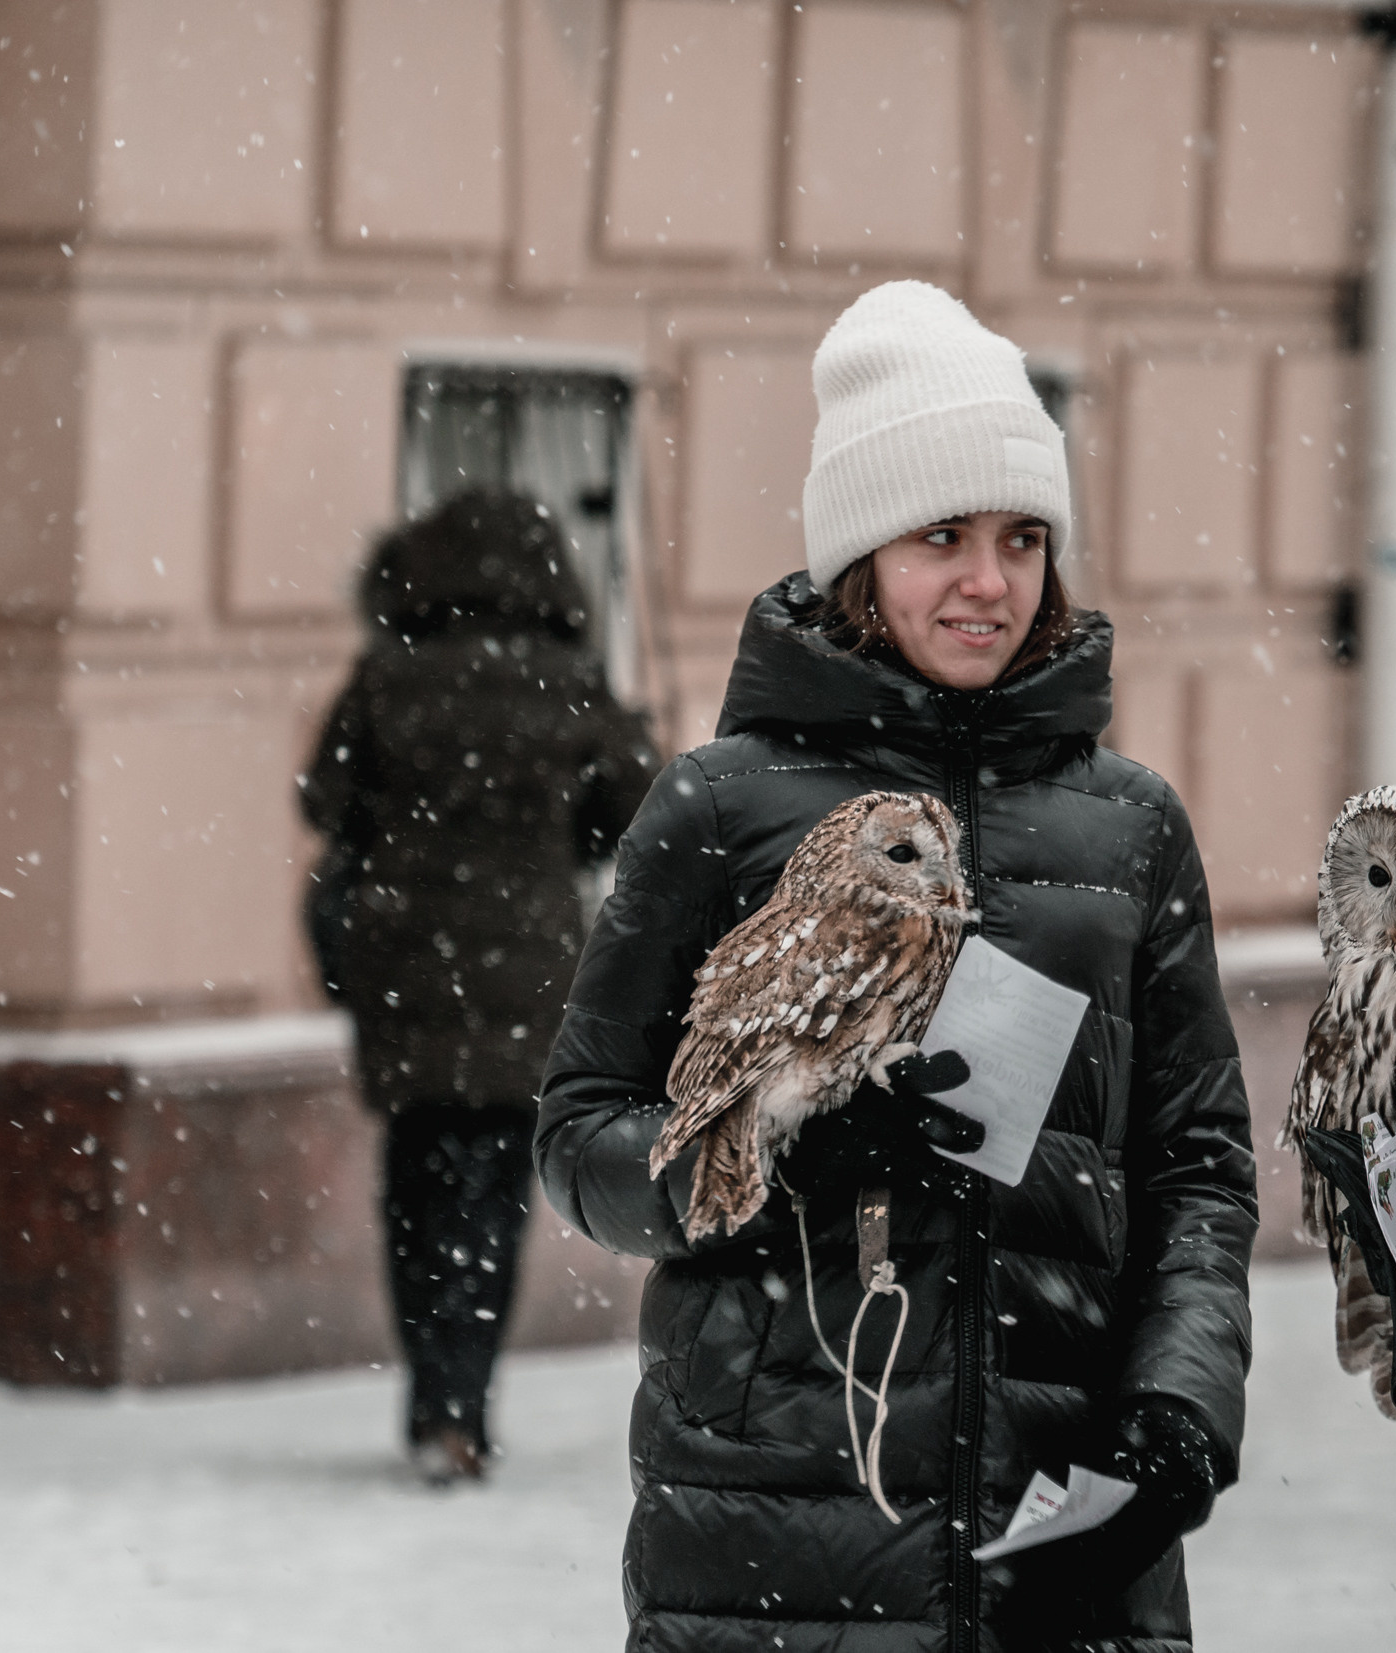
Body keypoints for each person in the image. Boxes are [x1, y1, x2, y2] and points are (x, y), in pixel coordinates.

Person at [537, 281, 1257, 1651]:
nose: (989, 582)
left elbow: (1196, 1164)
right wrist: (771, 1146)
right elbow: (578, 1138)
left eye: (1021, 538)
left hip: (1061, 1509)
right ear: (860, 554)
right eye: (941, 537)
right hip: (776, 1513)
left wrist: (1179, 1403)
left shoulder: (1127, 823)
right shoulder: (717, 807)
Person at [301, 488, 658, 1484]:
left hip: (407, 968)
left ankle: (431, 1403)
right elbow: (636, 811)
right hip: (527, 973)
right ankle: (467, 1408)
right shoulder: (569, 681)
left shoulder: (386, 678)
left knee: (417, 1187)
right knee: (494, 1197)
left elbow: (324, 801)